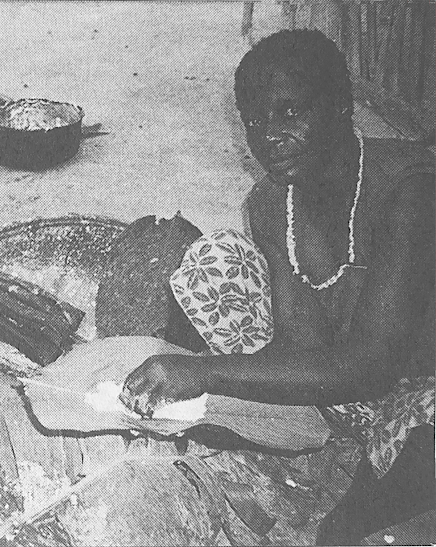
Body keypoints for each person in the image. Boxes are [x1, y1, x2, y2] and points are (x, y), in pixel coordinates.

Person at [120, 29, 435, 544]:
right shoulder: (270, 204)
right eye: (254, 120)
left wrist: (203, 373)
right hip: (342, 384)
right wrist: (216, 402)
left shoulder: (411, 191)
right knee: (214, 260)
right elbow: (298, 346)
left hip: (418, 388)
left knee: (345, 533)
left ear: (339, 107)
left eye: (290, 112)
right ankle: (324, 437)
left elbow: (374, 365)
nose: (269, 135)